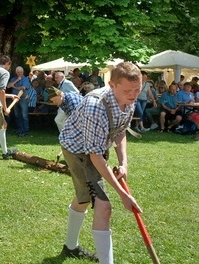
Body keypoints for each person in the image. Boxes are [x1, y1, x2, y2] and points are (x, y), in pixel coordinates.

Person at [59, 62, 142, 263]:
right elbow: (94, 156)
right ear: (112, 85)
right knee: (104, 206)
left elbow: (120, 131)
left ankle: (70, 247)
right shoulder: (96, 105)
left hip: (95, 147)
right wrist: (123, 195)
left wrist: (124, 163)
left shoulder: (128, 100)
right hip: (77, 149)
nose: (132, 95)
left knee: (83, 197)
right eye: (127, 90)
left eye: (137, 89)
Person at [7, 66, 31, 136]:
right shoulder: (14, 78)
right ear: (16, 72)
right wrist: (17, 80)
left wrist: (13, 86)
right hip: (14, 98)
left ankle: (25, 130)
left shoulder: (26, 79)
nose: (19, 73)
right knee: (17, 114)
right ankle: (19, 129)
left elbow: (23, 88)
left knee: (24, 115)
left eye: (21, 72)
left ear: (23, 72)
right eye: (18, 72)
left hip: (23, 98)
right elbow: (8, 86)